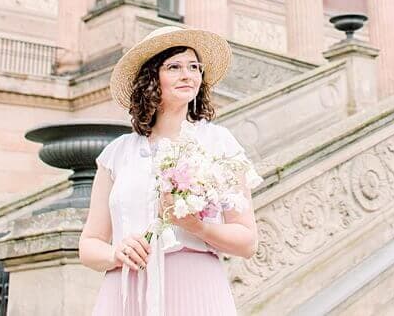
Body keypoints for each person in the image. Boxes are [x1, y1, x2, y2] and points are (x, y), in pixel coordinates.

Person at [82, 26, 261, 315]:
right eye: (174, 66)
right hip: (126, 291)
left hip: (196, 288)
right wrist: (116, 253)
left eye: (194, 67)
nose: (187, 74)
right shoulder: (117, 154)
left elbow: (247, 241)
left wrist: (198, 227)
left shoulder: (220, 143)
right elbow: (89, 245)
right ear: (152, 79)